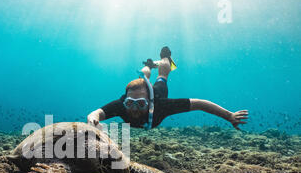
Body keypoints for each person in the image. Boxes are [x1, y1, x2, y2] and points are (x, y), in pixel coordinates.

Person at [87, 47, 248, 131]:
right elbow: (95, 113)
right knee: (144, 76)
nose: (134, 108)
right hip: (146, 90)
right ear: (125, 100)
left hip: (157, 92)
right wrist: (92, 120)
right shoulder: (120, 106)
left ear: (148, 102)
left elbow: (199, 103)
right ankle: (148, 66)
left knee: (163, 74)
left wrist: (229, 116)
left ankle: (165, 57)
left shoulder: (161, 105)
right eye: (130, 103)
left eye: (141, 104)